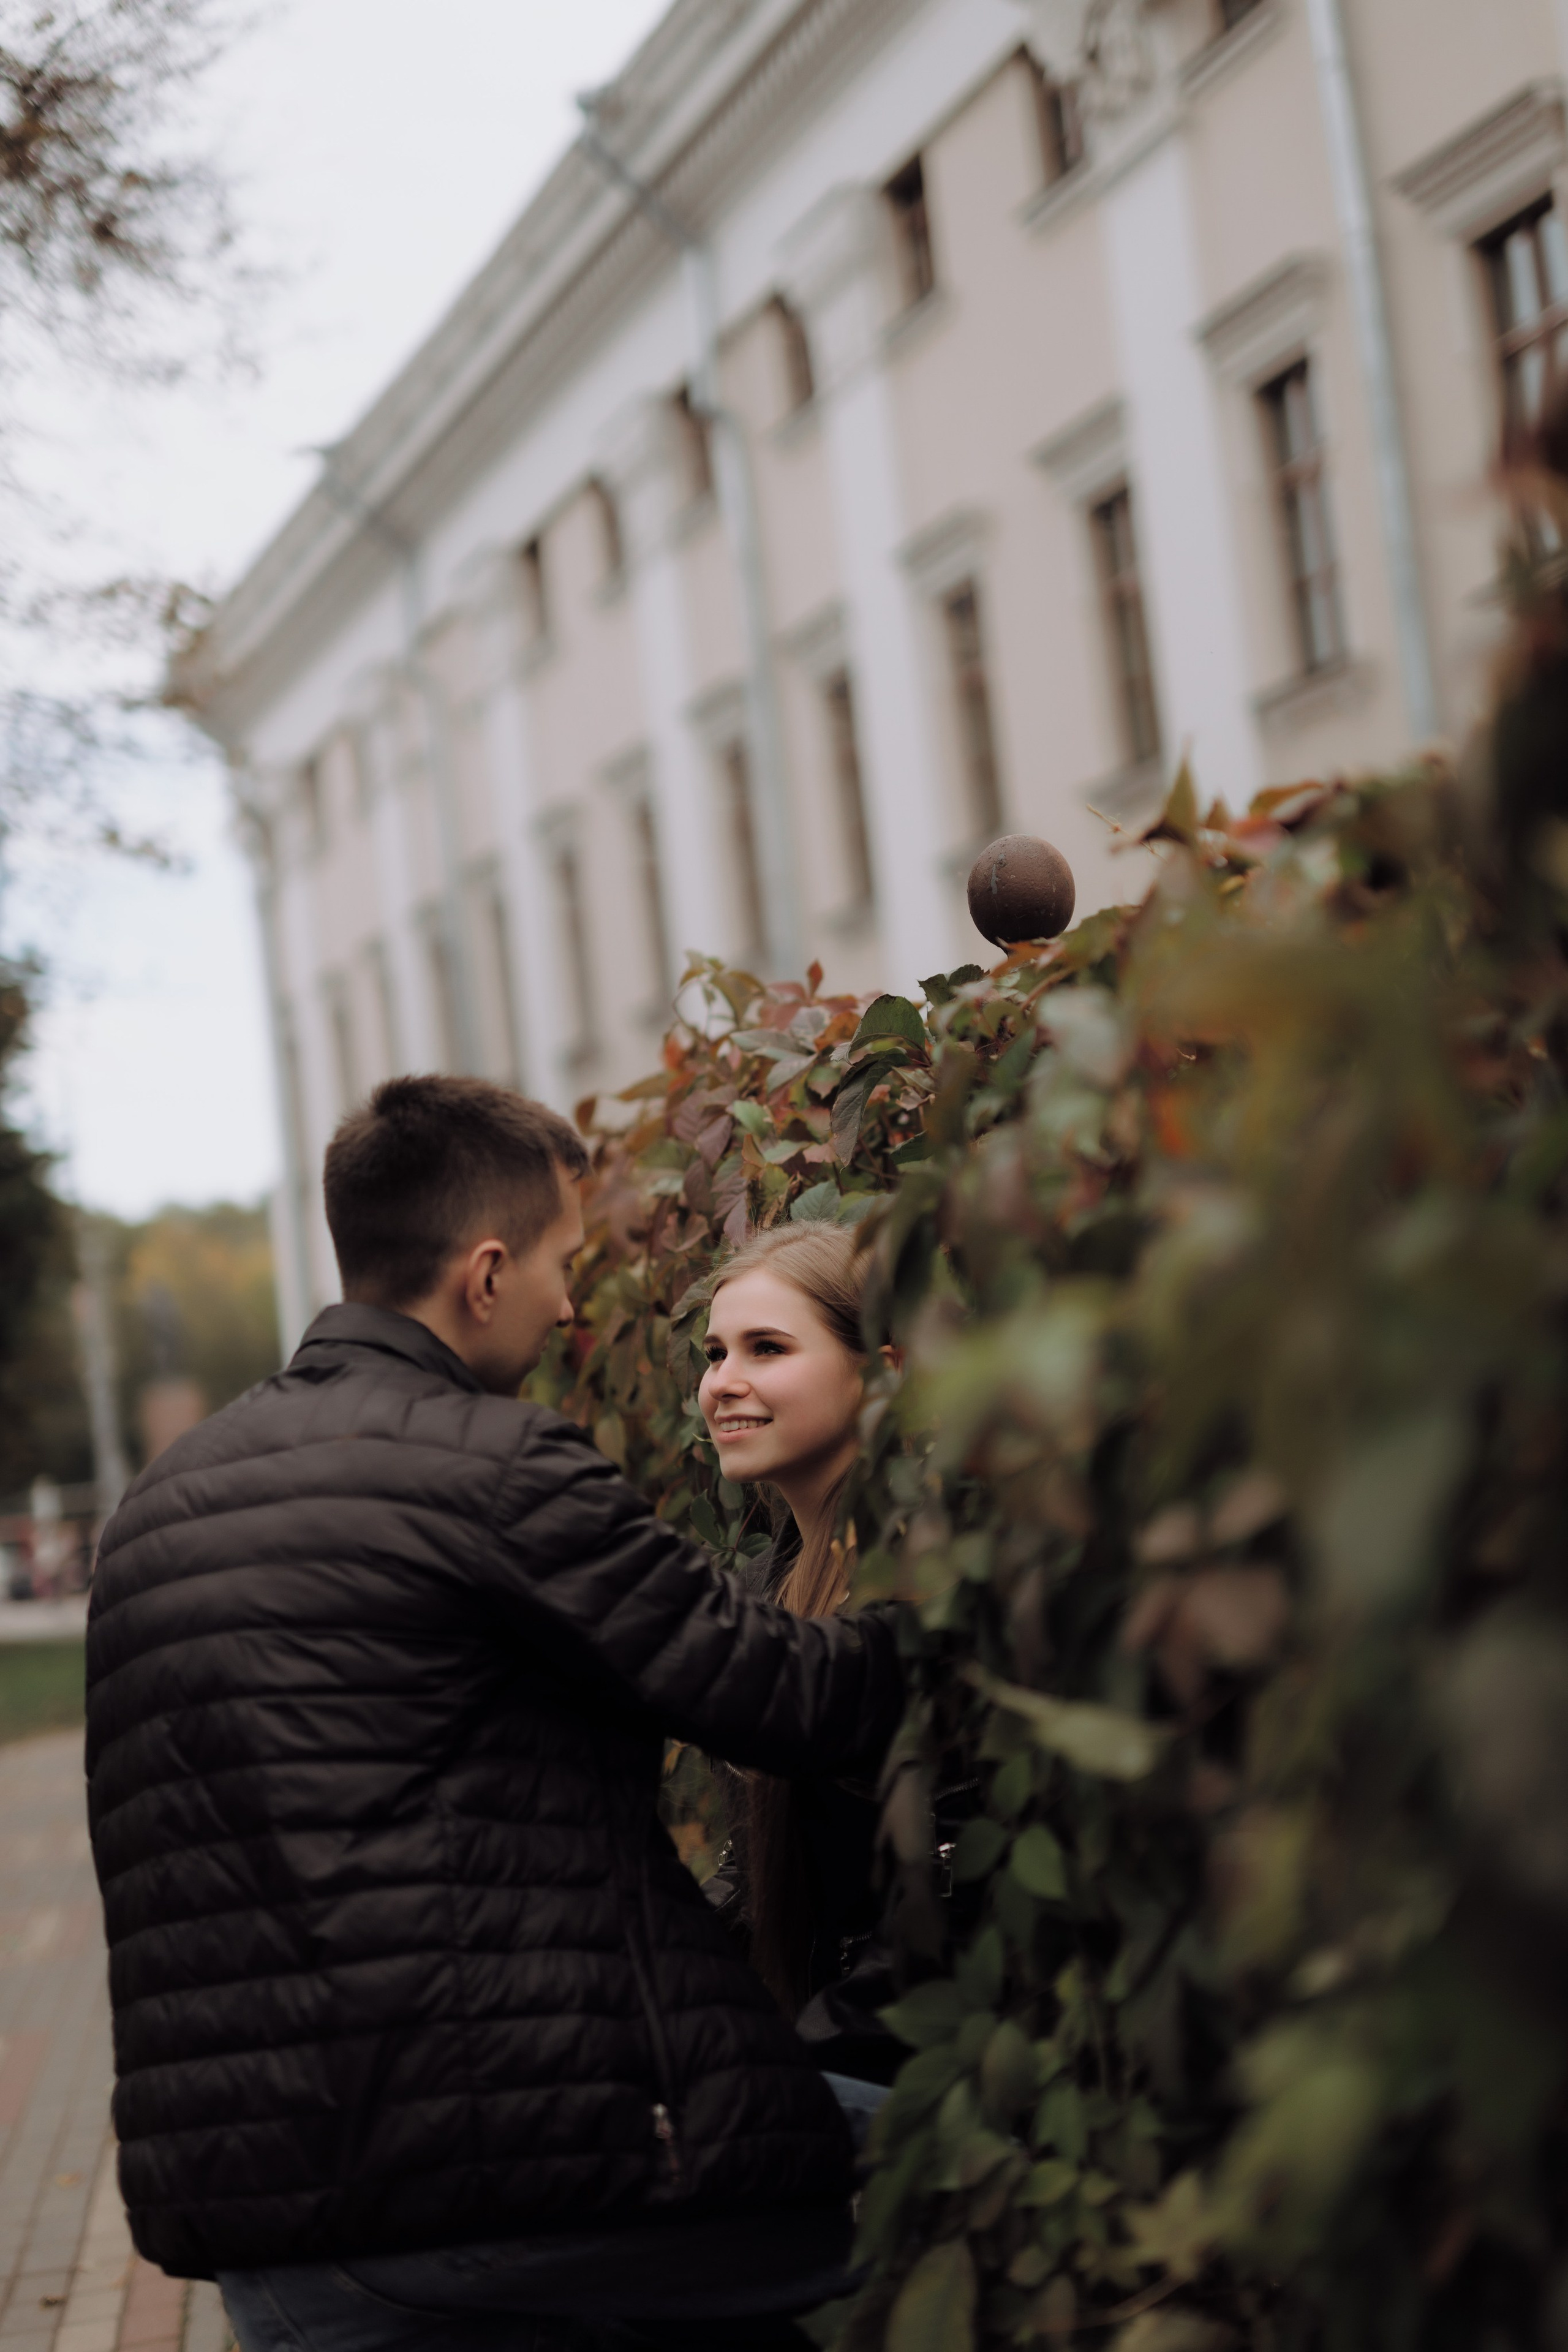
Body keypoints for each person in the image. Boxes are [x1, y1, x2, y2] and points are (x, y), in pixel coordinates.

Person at [84, 1077, 904, 2352]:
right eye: (562, 1263)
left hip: (266, 2234)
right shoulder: (490, 1466)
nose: (574, 1302)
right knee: (954, 2173)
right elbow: (798, 1695)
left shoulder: (159, 1507)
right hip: (514, 2180)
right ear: (482, 1272)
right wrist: (979, 1558)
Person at [695, 1226, 904, 2087]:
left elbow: (939, 1919)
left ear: (881, 1374)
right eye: (713, 1354)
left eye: (767, 1348)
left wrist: (791, 2088)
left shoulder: (929, 1586)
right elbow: (750, 1883)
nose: (720, 1384)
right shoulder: (763, 1590)